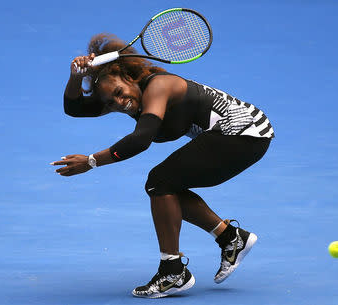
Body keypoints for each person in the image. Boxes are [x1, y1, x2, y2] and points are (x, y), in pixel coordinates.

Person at [51, 33, 274, 299]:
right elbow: (74, 108)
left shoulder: (159, 86)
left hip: (244, 133)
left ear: (129, 77)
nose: (119, 104)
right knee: (165, 186)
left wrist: (90, 161)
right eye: (110, 103)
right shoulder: (121, 96)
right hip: (244, 138)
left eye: (120, 94)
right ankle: (230, 238)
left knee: (160, 181)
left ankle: (173, 272)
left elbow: (141, 139)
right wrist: (76, 76)